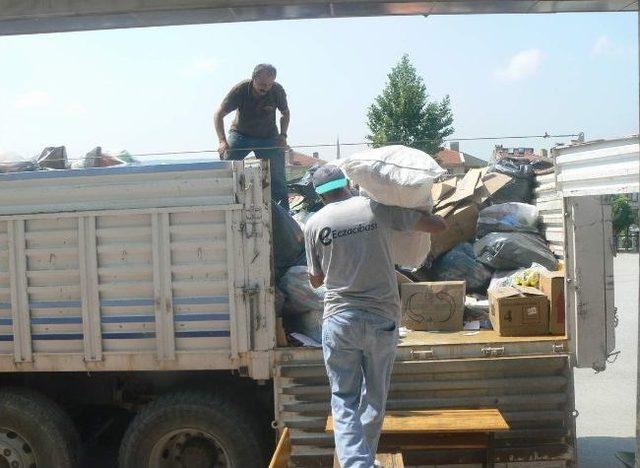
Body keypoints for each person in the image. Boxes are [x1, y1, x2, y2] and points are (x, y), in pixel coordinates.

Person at [303, 165, 446, 468]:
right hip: (382, 319)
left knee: (344, 399)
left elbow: (316, 280)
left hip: (340, 320)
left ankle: (358, 463)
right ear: (346, 182)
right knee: (374, 399)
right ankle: (362, 462)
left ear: (318, 194)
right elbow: (436, 226)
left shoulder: (314, 223)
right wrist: (418, 205)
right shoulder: (375, 208)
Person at [213, 63, 291, 209]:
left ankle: (284, 214)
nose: (265, 88)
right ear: (253, 79)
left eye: (269, 84)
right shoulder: (241, 90)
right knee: (226, 165)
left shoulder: (277, 90)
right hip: (241, 135)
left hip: (268, 137)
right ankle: (222, 204)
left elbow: (285, 113)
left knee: (278, 178)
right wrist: (222, 141)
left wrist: (283, 135)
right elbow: (218, 114)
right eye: (262, 84)